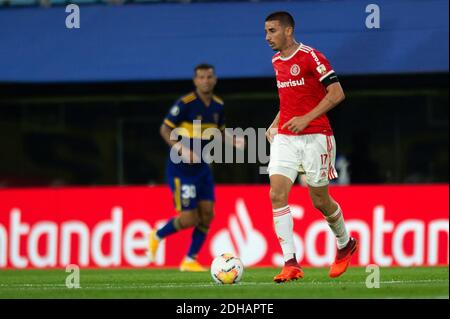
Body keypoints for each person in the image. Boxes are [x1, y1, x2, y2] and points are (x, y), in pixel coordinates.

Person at [264, 12, 358, 282]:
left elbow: (337, 93)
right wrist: (274, 124)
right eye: (266, 32)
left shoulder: (310, 56)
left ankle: (344, 243)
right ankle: (291, 263)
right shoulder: (275, 61)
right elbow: (289, 100)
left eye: (272, 31)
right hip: (286, 137)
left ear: (288, 31)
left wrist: (306, 119)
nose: (267, 37)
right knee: (276, 194)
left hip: (316, 135)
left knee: (319, 200)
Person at [148, 63, 244, 272]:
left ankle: (190, 259)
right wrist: (181, 149)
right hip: (181, 169)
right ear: (195, 81)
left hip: (202, 169)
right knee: (190, 218)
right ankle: (157, 234)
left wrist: (233, 140)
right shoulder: (186, 103)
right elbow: (164, 129)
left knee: (208, 214)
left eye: (209, 77)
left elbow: (219, 131)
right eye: (201, 77)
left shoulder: (218, 105)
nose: (205, 81)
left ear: (215, 79)